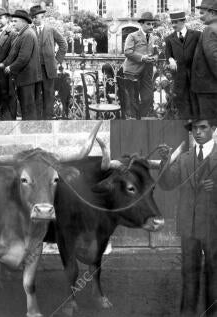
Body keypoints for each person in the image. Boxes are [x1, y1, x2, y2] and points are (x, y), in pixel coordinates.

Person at [158, 119, 217, 317]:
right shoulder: (184, 159)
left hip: (213, 227)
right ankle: (188, 313)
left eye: (203, 127)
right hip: (189, 228)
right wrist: (165, 162)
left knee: (214, 273)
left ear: (214, 129)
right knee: (189, 274)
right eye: (194, 128)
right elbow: (167, 184)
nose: (198, 132)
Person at [0, 10, 42, 120]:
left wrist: (10, 68)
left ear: (23, 22)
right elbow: (13, 54)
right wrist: (3, 64)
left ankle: (30, 133)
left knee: (28, 109)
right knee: (26, 108)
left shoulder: (27, 34)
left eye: (15, 21)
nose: (12, 23)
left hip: (28, 79)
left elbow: (23, 58)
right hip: (25, 78)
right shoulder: (23, 34)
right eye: (12, 21)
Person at [30, 5, 67, 119]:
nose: (35, 19)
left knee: (49, 95)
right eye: (33, 17)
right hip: (34, 70)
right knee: (36, 96)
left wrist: (56, 60)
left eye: (37, 17)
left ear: (42, 16)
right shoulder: (29, 30)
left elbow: (63, 44)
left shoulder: (51, 30)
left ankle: (48, 121)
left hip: (49, 69)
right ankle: (37, 122)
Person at [165, 11, 201, 119]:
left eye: (176, 22)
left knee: (195, 100)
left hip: (195, 75)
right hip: (179, 76)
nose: (173, 25)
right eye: (172, 22)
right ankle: (185, 126)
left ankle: (196, 124)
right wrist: (170, 59)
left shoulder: (196, 35)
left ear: (183, 21)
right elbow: (168, 55)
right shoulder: (169, 39)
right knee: (181, 101)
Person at [123, 12, 158, 119]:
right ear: (141, 24)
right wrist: (142, 57)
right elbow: (127, 51)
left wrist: (155, 57)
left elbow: (156, 52)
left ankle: (140, 116)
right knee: (132, 99)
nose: (151, 26)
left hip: (147, 72)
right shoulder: (132, 36)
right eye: (148, 24)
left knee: (148, 97)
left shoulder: (153, 38)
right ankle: (134, 120)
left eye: (152, 24)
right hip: (132, 71)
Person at [191, 0, 217, 118]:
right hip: (211, 87)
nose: (200, 16)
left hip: (208, 89)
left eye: (202, 13)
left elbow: (213, 57)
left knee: (208, 124)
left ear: (212, 12)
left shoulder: (210, 29)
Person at [0, 7, 16, 119]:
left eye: (0, 18)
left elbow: (13, 52)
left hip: (4, 70)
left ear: (7, 19)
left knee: (6, 95)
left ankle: (7, 119)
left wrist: (4, 63)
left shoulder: (12, 33)